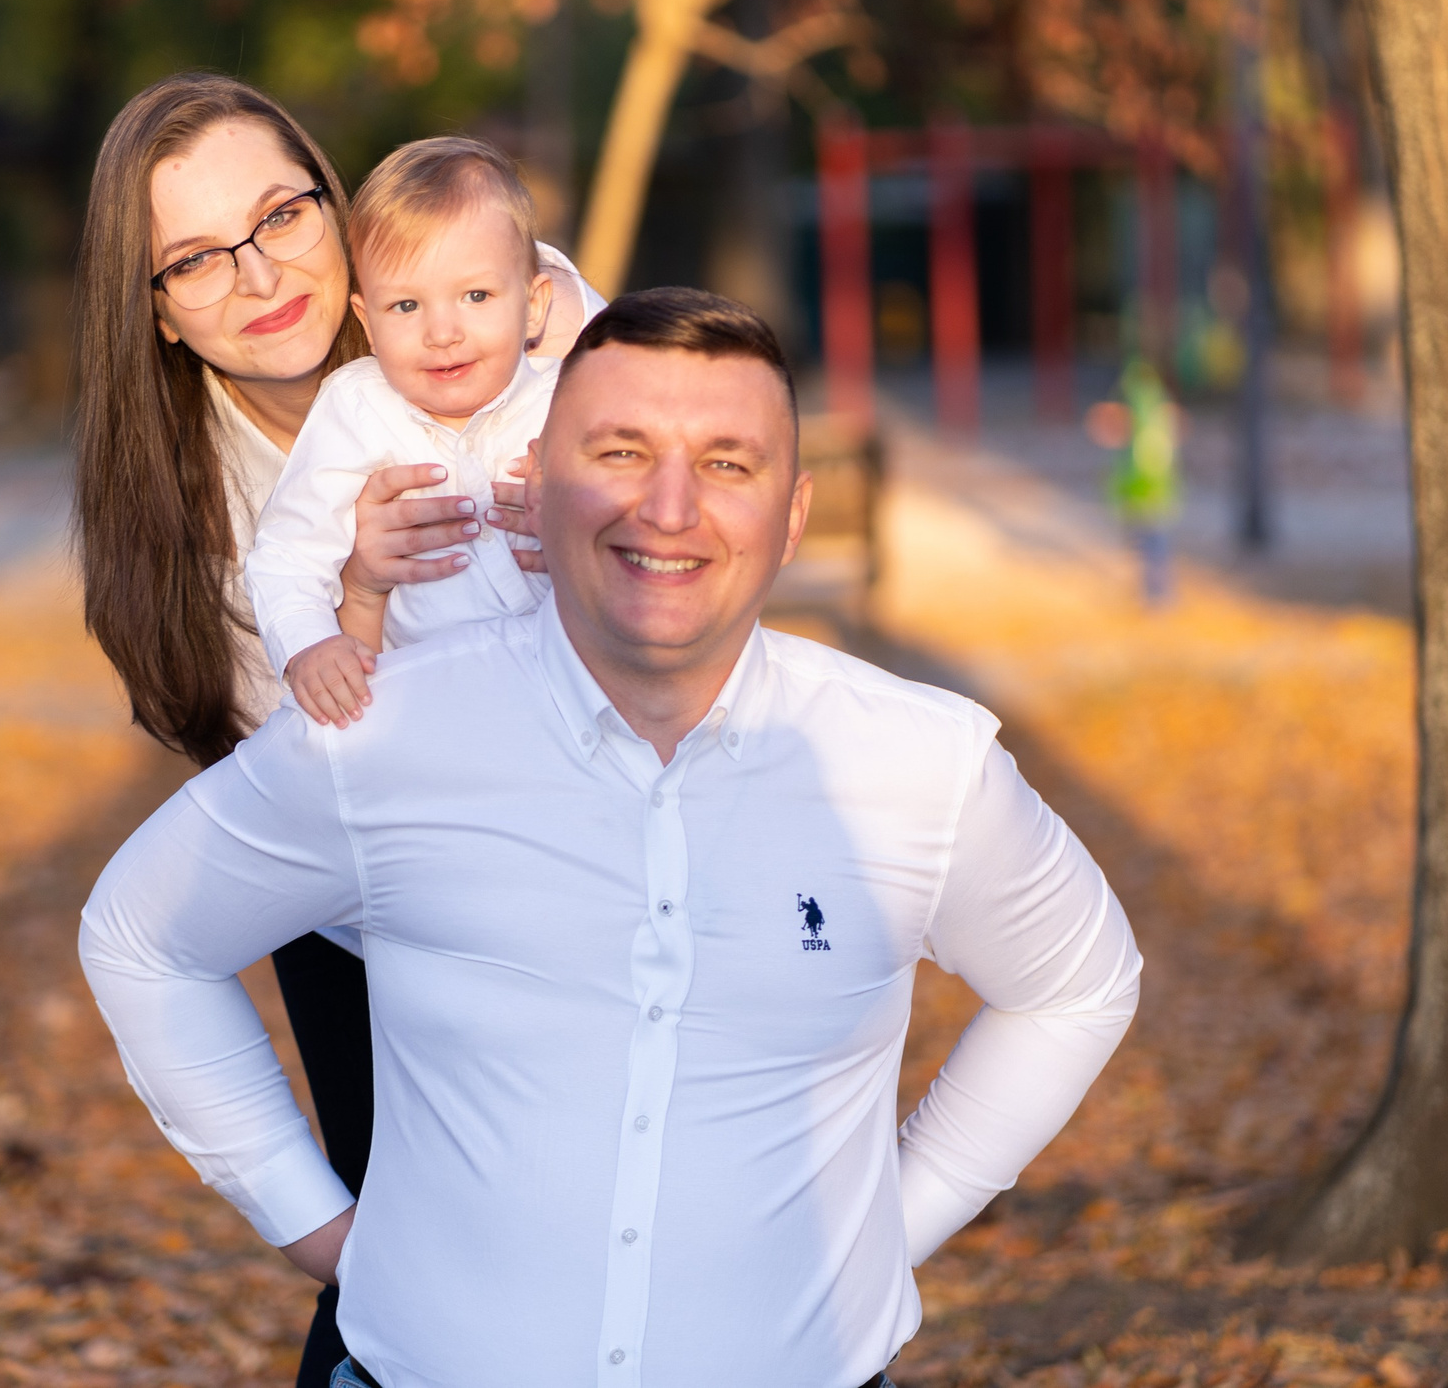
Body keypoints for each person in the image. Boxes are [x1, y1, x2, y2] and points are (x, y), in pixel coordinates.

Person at [81, 288, 1143, 1388]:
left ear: (792, 511)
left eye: (728, 463)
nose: (670, 508)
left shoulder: (920, 763)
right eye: (620, 452)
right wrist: (307, 1220)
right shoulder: (383, 738)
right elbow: (141, 934)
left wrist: (897, 1222)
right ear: (538, 482)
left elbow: (1078, 985)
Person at [70, 73, 590, 1386]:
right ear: (161, 317)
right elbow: (345, 776)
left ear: (338, 210)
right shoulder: (201, 531)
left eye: (282, 214)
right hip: (367, 900)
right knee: (424, 1263)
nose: (258, 275)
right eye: (196, 258)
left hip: (594, 833)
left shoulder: (488, 317)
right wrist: (359, 589)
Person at [251, 136, 593, 725]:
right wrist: (309, 645)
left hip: (572, 700)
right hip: (429, 713)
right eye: (406, 306)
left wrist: (577, 518)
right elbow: (287, 553)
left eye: (476, 295)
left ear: (534, 306)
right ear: (368, 319)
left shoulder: (571, 400)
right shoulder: (357, 408)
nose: (442, 332)